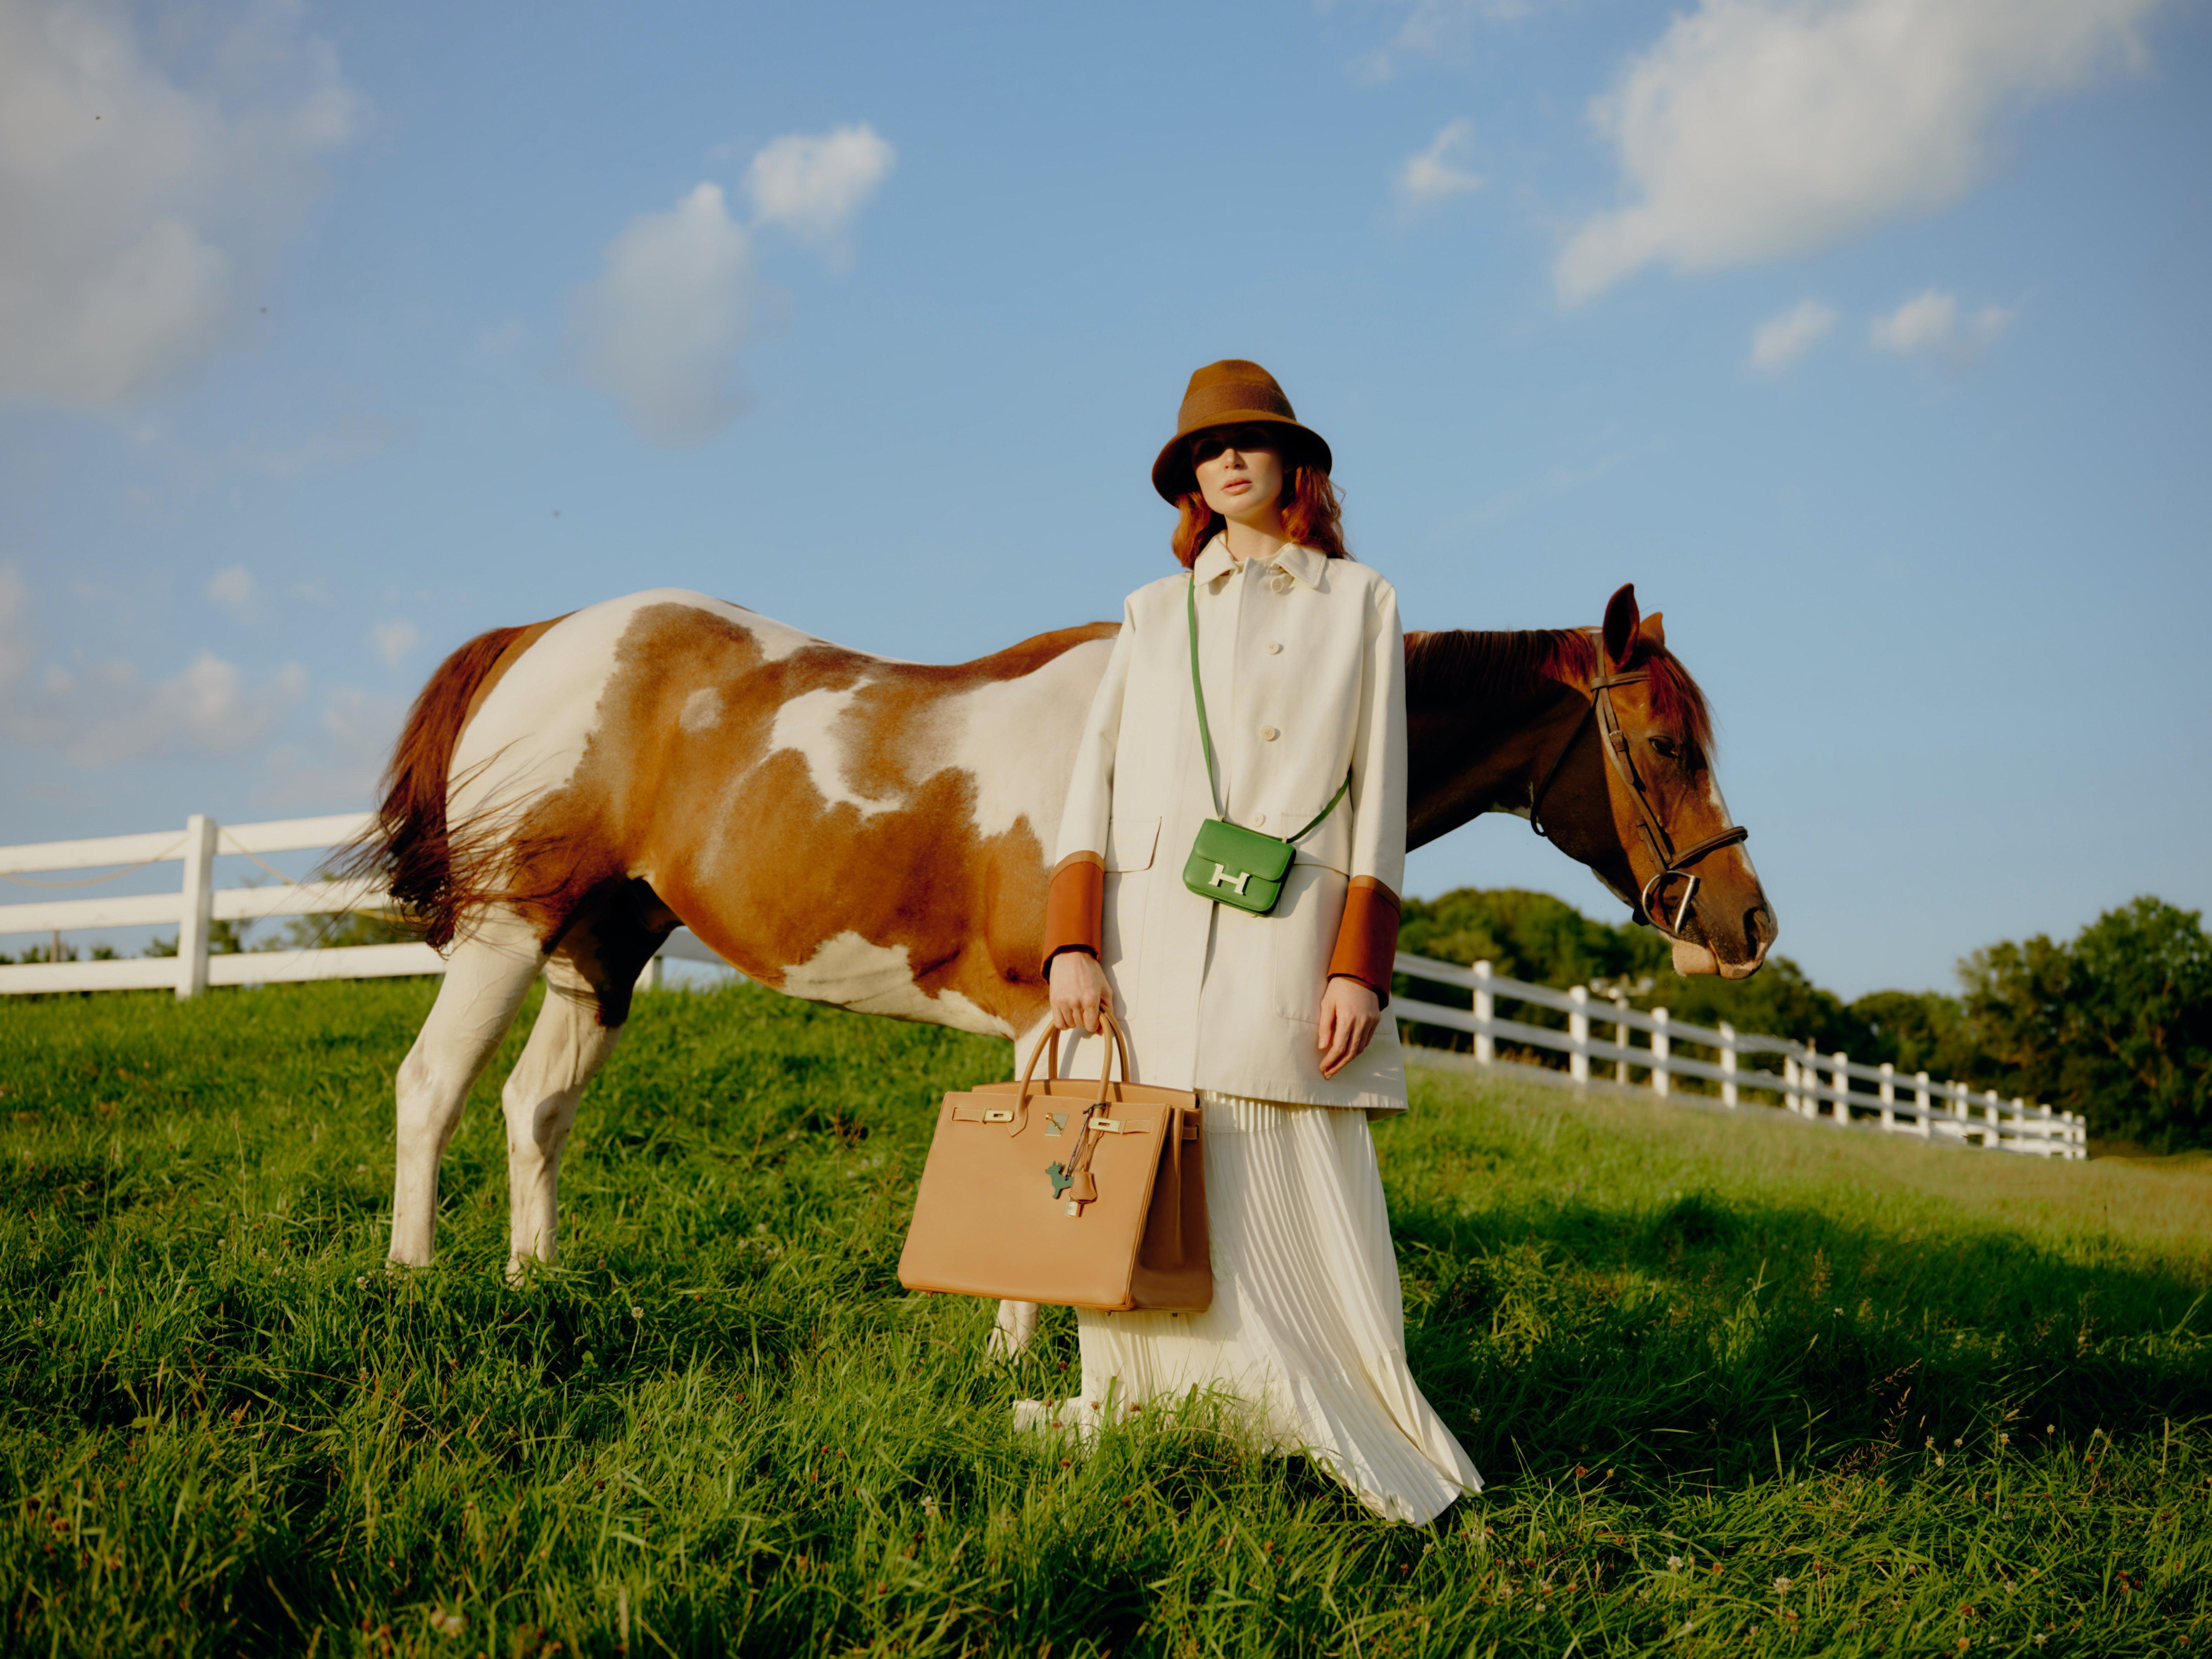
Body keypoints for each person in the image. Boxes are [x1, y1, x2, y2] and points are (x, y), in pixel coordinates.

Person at [1024, 359, 1479, 1525]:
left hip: (1293, 930)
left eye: (1249, 443)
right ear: (1189, 480)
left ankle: (1308, 1407)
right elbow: (1097, 778)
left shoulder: (1360, 602)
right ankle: (1150, 1403)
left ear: (1291, 466)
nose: (1228, 462)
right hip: (1146, 938)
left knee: (1283, 1154)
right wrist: (1072, 943)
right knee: (1150, 1159)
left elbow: (1379, 786)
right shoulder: (1150, 610)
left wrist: (1356, 965)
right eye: (1205, 451)